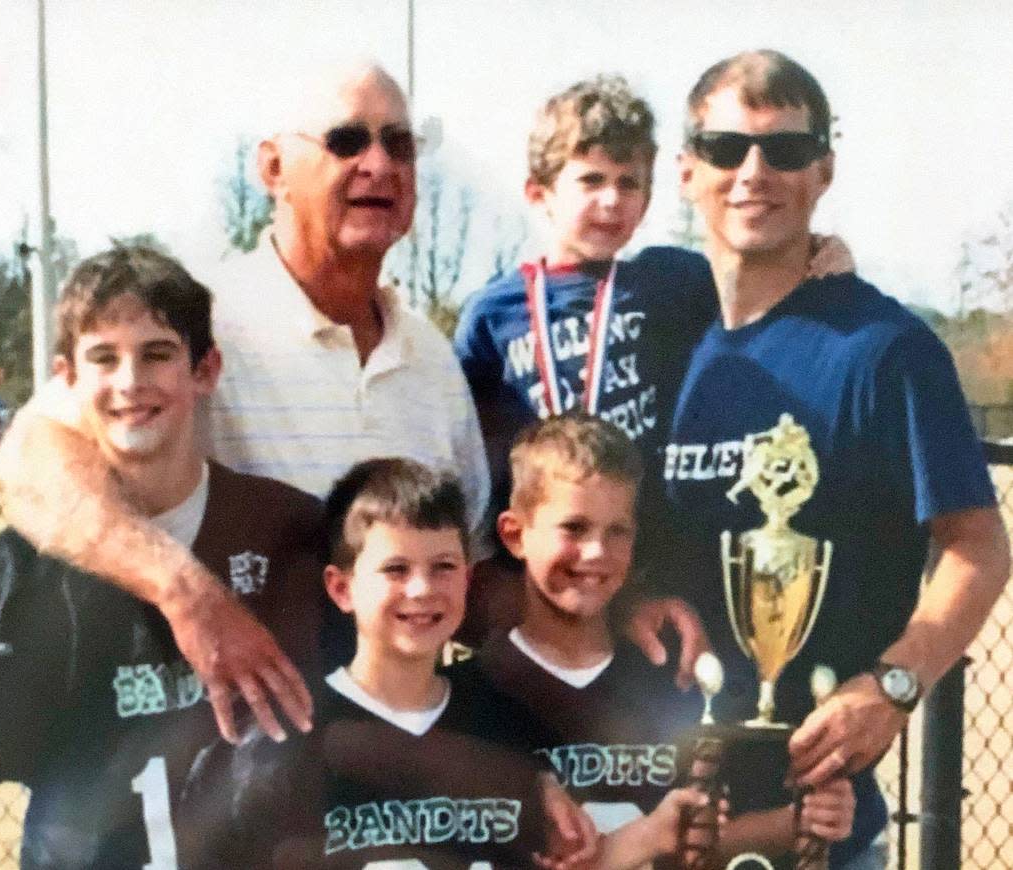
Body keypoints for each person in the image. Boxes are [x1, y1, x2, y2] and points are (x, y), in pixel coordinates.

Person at [0, 61, 489, 744]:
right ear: (274, 169)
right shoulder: (200, 322)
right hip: (241, 754)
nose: (379, 163)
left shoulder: (430, 356)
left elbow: (476, 565)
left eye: (398, 144)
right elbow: (31, 461)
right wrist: (185, 591)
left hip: (386, 754)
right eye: (346, 140)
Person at [644, 49, 1011, 868]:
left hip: (815, 828)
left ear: (824, 170)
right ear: (686, 171)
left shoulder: (885, 350)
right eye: (726, 148)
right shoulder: (659, 340)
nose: (754, 172)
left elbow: (977, 544)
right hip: (641, 820)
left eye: (785, 150)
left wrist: (894, 686)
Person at [0, 246, 329, 868]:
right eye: (105, 358)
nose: (131, 382)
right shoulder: (33, 556)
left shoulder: (282, 526)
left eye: (157, 354)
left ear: (205, 370)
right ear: (68, 379)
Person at [452, 74, 846, 678]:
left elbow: (757, 276)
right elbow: (472, 456)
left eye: (628, 184)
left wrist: (822, 252)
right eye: (590, 180)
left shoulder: (671, 281)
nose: (611, 201)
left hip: (641, 559)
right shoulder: (492, 312)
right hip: (537, 562)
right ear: (539, 192)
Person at [180, 457, 644, 868]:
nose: (422, 590)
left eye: (442, 567)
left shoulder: (511, 728)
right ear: (342, 588)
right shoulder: (286, 742)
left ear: (467, 577)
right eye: (395, 570)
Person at [480, 413, 853, 868]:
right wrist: (643, 839)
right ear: (515, 535)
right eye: (574, 528)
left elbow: (700, 838)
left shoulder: (672, 677)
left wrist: (804, 819)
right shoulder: (478, 691)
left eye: (617, 531)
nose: (597, 552)